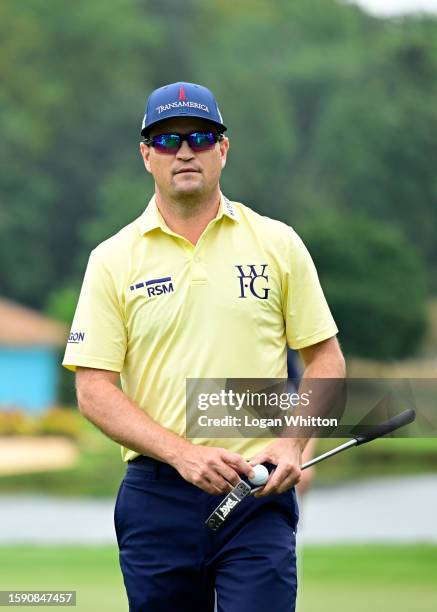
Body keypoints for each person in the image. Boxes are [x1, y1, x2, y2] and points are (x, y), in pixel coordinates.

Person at [63, 81, 345, 612]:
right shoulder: (112, 259)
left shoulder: (278, 242)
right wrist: (182, 454)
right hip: (157, 496)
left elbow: (326, 359)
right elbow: (94, 390)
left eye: (200, 136)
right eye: (168, 141)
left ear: (224, 148)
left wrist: (293, 444)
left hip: (256, 494)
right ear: (147, 156)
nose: (185, 150)